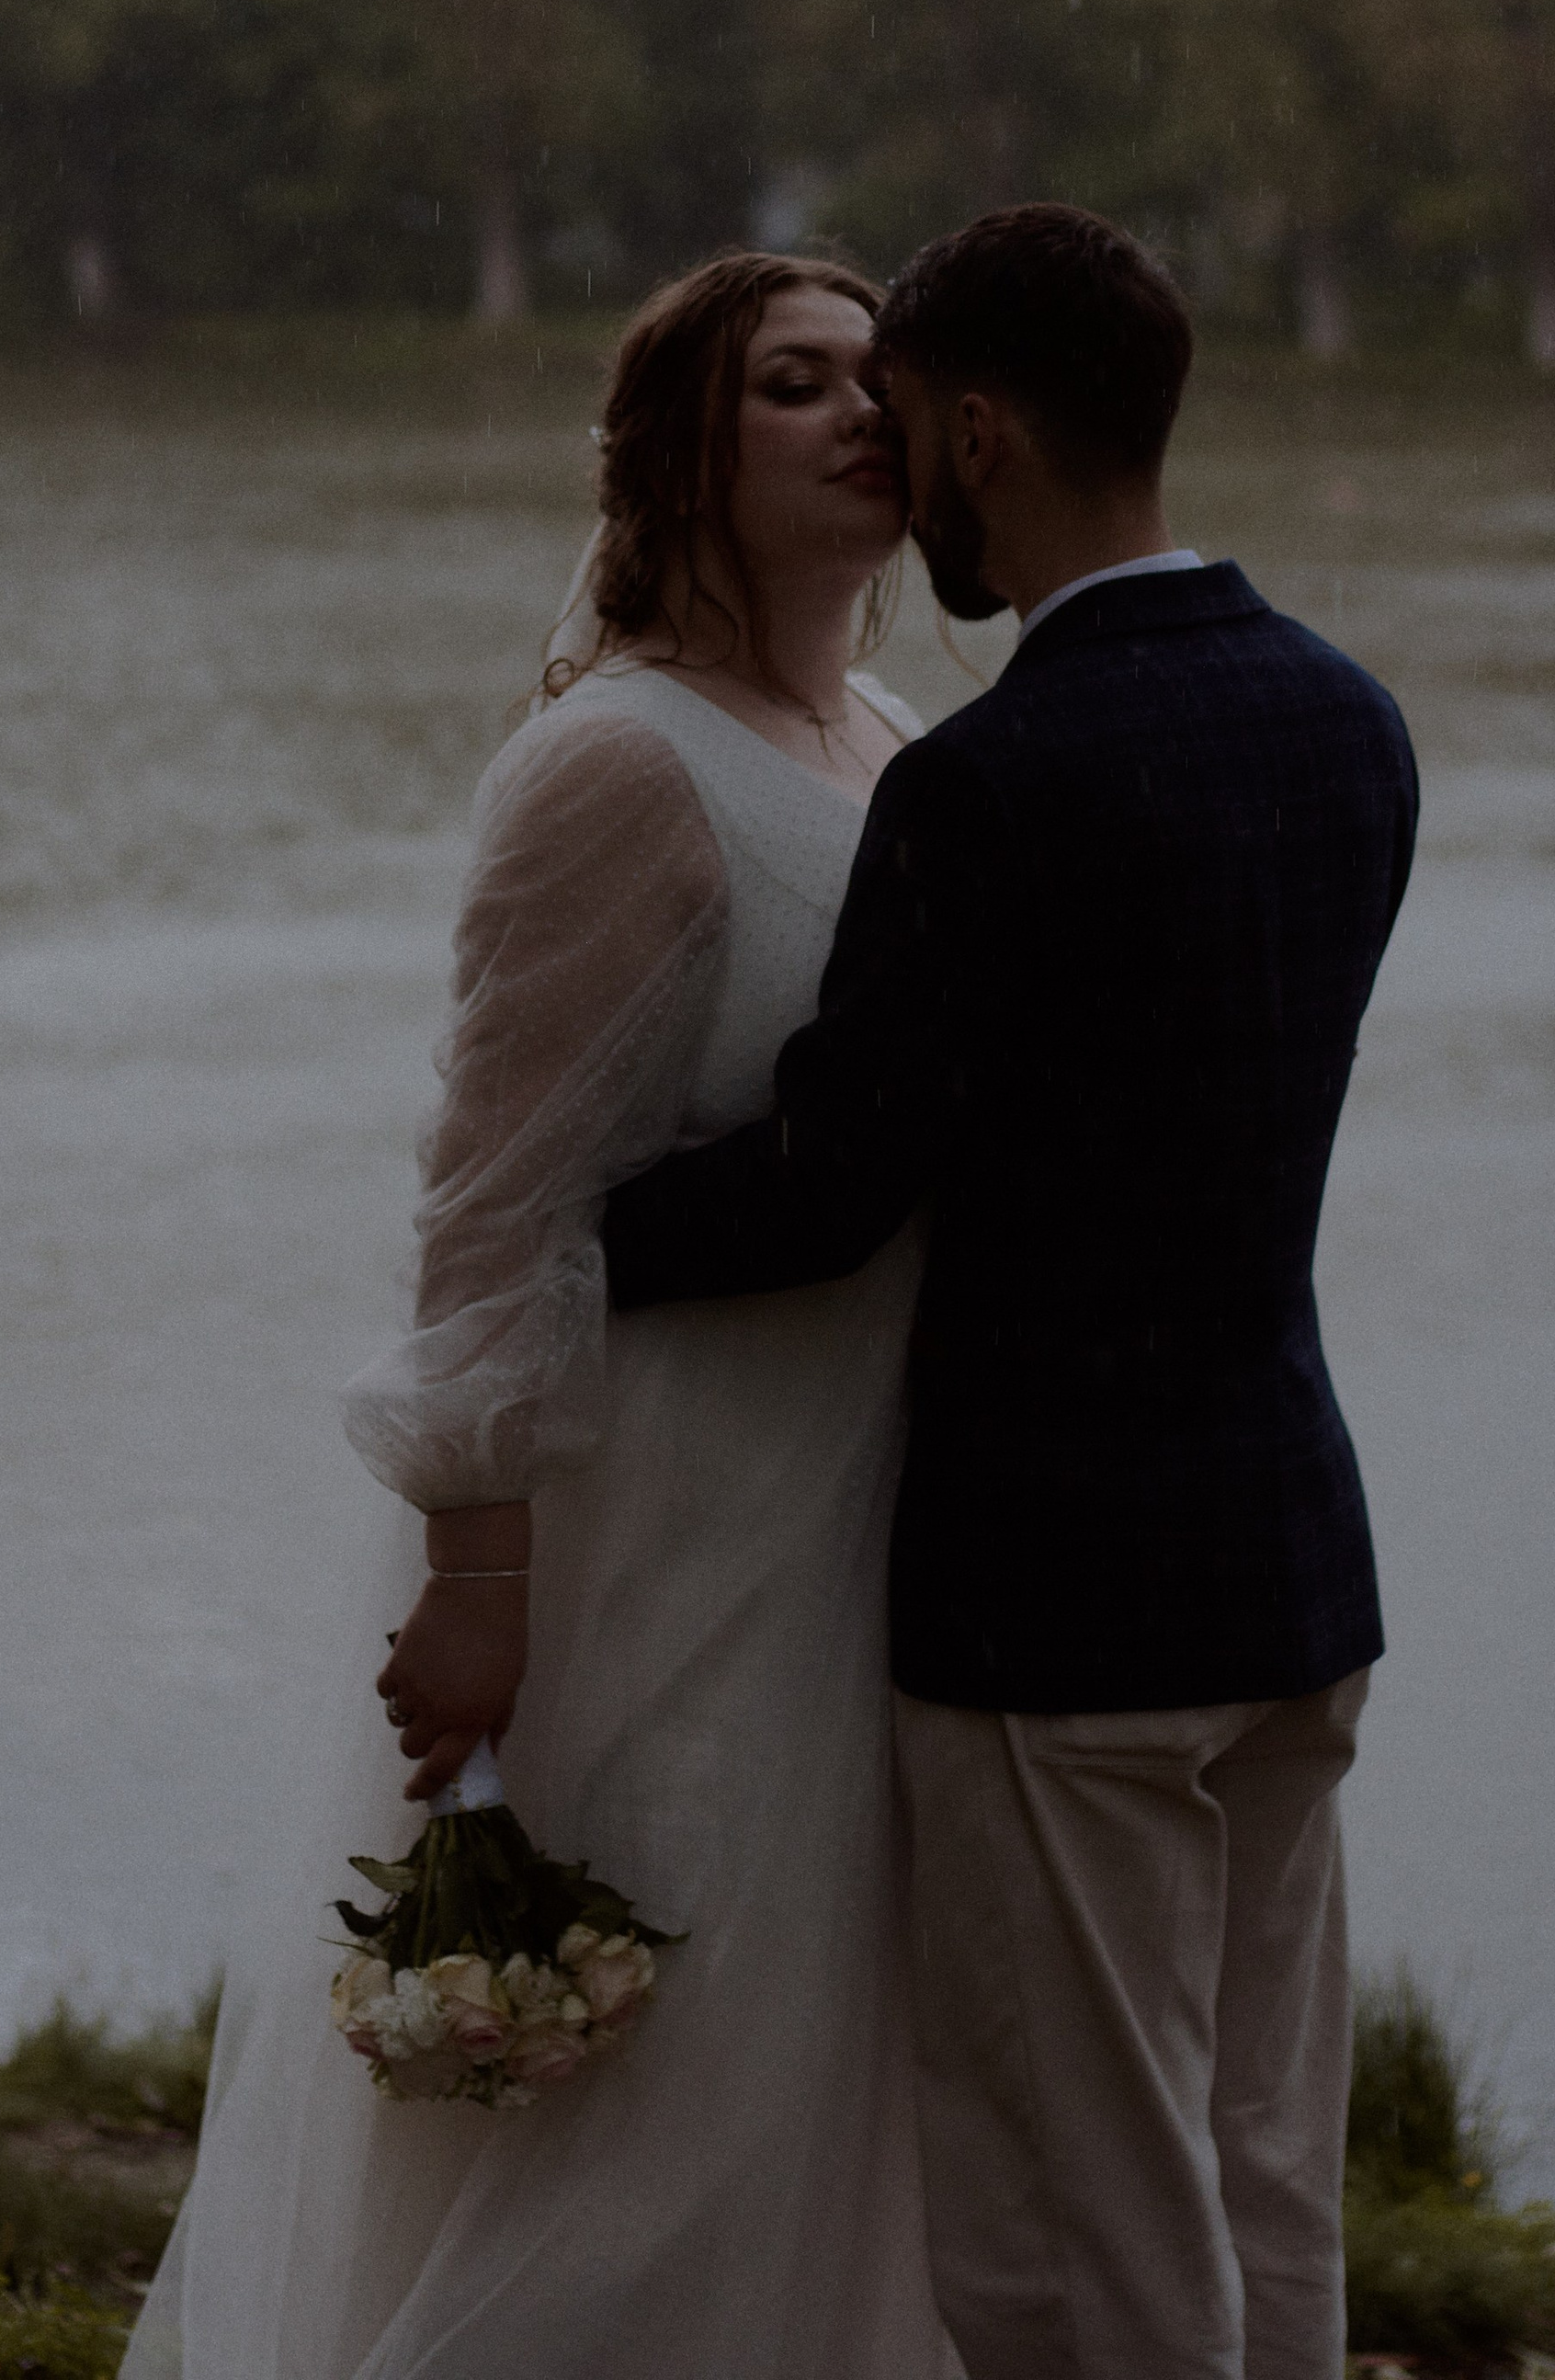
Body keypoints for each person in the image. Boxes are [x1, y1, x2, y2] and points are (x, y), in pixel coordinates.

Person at [601, 203, 1420, 2380]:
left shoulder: (989, 781)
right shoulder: (1344, 719)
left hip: (1058, 1615)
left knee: (1075, 2242)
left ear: (977, 435)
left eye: (894, 419)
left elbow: (824, 1191)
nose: (888, 473)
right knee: (1259, 2179)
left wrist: (561, 1235)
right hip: (1284, 1565)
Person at [125, 250, 960, 2380]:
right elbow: (487, 1205)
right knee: (653, 2124)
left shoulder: (891, 743)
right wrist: (477, 1578)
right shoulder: (615, 763)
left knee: (808, 2092)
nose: (859, 415)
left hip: (849, 1512)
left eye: (878, 379)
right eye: (792, 384)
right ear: (677, 450)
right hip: (656, 1526)